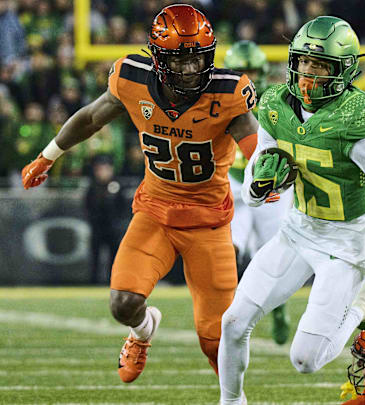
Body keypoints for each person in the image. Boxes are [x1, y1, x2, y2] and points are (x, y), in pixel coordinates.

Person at [21, 4, 260, 383]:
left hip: (208, 223)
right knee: (123, 303)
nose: (191, 68)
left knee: (217, 343)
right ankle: (143, 332)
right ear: (158, 57)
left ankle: (234, 396)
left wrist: (266, 168)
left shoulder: (227, 92)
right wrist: (48, 156)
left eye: (199, 58)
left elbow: (254, 142)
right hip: (156, 211)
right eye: (180, 60)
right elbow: (89, 118)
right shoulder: (133, 80)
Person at [218, 16, 365, 405]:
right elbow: (255, 180)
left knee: (304, 360)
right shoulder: (274, 105)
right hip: (297, 229)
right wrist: (258, 183)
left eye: (320, 66)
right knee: (233, 323)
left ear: (344, 70)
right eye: (304, 62)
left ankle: (361, 306)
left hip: (345, 243)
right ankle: (231, 402)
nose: (308, 74)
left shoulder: (354, 119)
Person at [224, 40, 293, 345]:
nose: (248, 77)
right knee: (227, 251)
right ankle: (226, 310)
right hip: (232, 182)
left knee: (274, 255)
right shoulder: (216, 100)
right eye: (242, 71)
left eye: (252, 70)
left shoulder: (276, 101)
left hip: (268, 185)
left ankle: (278, 306)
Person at [84, 154, 125, 284]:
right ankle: (93, 281)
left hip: (113, 228)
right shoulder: (93, 187)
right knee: (95, 256)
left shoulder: (117, 185)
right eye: (100, 169)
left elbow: (122, 206)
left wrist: (118, 223)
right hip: (97, 227)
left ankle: (113, 282)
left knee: (114, 258)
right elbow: (88, 206)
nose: (102, 172)